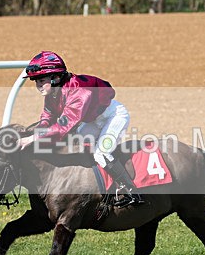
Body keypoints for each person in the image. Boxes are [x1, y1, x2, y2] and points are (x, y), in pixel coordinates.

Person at [18, 51, 144, 207]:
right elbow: (47, 118)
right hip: (93, 120)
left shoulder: (79, 90)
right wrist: (34, 132)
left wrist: (33, 138)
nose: (38, 86)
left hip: (114, 117)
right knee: (77, 143)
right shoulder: (52, 94)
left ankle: (132, 192)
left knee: (101, 153)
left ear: (56, 77)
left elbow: (63, 126)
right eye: (35, 81)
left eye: (41, 81)